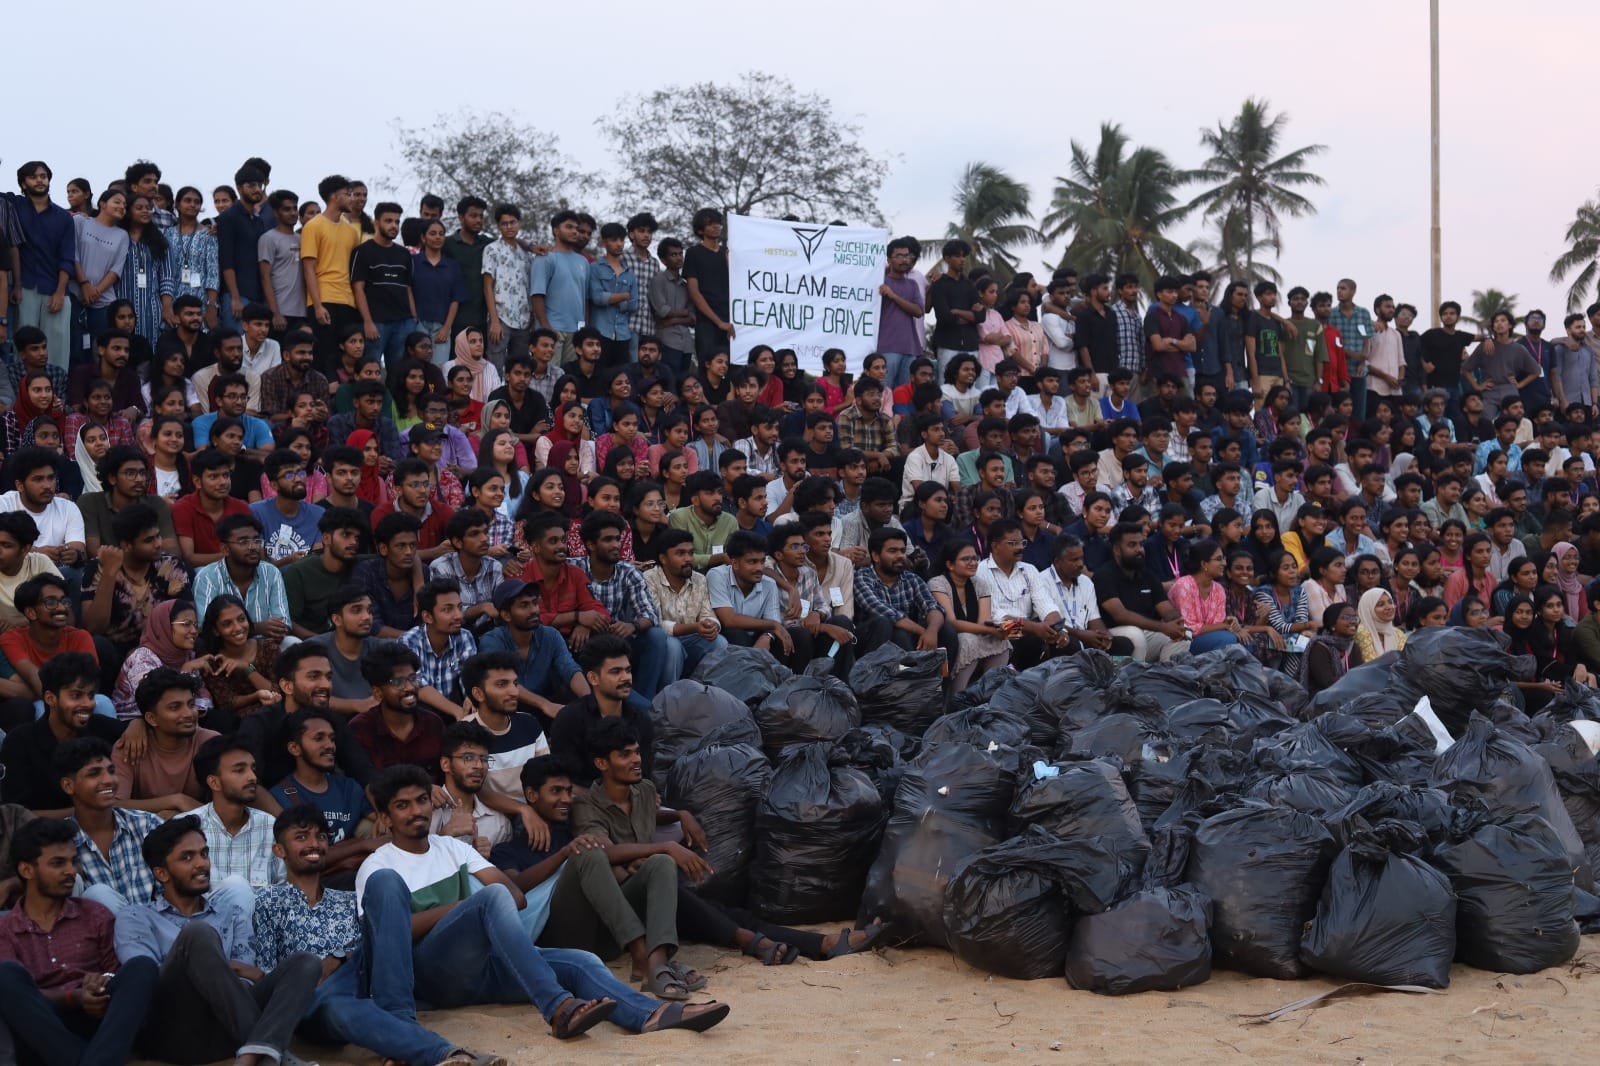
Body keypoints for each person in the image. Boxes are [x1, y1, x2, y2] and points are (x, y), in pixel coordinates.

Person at [355, 765, 728, 1040]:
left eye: (421, 800)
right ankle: (557, 1007)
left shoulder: (451, 847)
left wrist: (478, 906)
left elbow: (514, 897)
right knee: (489, 898)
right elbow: (392, 935)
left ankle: (652, 1014)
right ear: (386, 818)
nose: (417, 811)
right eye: (402, 806)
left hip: (482, 969)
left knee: (581, 961)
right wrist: (465, 909)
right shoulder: (378, 866)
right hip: (431, 972)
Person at [575, 718, 880, 963]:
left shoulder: (642, 790)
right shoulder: (587, 806)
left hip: (654, 896)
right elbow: (603, 852)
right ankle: (753, 942)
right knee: (685, 895)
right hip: (616, 915)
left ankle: (818, 944)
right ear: (602, 763)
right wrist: (663, 848)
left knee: (723, 912)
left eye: (637, 752)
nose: (635, 760)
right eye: (624, 755)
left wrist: (681, 814)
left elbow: (650, 814)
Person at [112, 815, 320, 1066]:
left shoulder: (231, 914)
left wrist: (220, 969)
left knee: (306, 963)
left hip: (225, 1028)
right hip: (172, 1031)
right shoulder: (136, 917)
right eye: (187, 858)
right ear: (162, 873)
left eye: (204, 853)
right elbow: (144, 981)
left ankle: (254, 1054)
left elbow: (244, 981)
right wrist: (202, 961)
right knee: (198, 934)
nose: (201, 864)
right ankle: (272, 1056)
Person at [0, 817, 158, 1066]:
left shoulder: (95, 914)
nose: (71, 871)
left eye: (73, 861)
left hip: (100, 1022)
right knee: (5, 976)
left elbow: (117, 973)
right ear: (26, 870)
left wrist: (101, 983)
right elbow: (17, 995)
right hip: (41, 1029)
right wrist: (72, 996)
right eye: (57, 863)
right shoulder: (5, 928)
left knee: (142, 967)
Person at [546, 636, 657, 788]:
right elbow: (565, 781)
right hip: (584, 805)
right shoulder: (569, 720)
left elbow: (644, 776)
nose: (626, 678)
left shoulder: (641, 720)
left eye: (628, 670)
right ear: (593, 678)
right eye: (615, 672)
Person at [477, 579, 592, 721]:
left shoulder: (550, 635)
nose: (534, 610)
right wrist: (545, 705)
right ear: (506, 615)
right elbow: (505, 682)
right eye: (524, 605)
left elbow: (570, 669)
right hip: (509, 711)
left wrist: (589, 701)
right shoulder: (492, 641)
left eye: (535, 603)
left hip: (546, 706)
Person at [110, 666, 216, 817]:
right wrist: (176, 800)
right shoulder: (130, 746)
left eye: (191, 704)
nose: (188, 714)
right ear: (152, 718)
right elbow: (114, 806)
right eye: (175, 707)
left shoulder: (210, 742)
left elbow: (229, 802)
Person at [853, 526, 958, 665]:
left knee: (945, 630)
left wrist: (931, 631)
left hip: (908, 637)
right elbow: (886, 612)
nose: (900, 556)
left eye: (902, 551)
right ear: (876, 556)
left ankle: (940, 684)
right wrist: (923, 632)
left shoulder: (911, 578)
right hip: (873, 641)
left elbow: (933, 607)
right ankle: (911, 681)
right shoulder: (862, 577)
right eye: (893, 551)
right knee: (893, 628)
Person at [705, 530, 808, 669]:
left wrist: (767, 636)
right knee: (736, 634)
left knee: (796, 635)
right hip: (728, 637)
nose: (759, 568)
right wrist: (772, 626)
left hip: (758, 635)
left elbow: (773, 621)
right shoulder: (717, 575)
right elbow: (729, 620)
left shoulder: (769, 584)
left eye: (762, 561)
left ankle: (790, 684)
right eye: (752, 562)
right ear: (734, 563)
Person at [192, 735, 282, 890]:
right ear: (214, 782)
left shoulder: (271, 826)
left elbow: (285, 888)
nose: (252, 777)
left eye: (253, 769)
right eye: (240, 770)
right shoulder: (189, 828)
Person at [1094, 522, 1193, 662]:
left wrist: (1176, 622)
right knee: (1135, 635)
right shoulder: (1104, 575)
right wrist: (1163, 627)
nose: (1139, 549)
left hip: (1147, 632)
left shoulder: (1147, 575)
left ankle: (1166, 677)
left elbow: (1166, 608)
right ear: (1117, 549)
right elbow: (1120, 615)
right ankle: (1134, 679)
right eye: (1132, 545)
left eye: (1141, 544)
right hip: (1114, 635)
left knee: (1185, 633)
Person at [927, 537, 1011, 690]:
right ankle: (957, 694)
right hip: (946, 638)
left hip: (974, 633)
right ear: (950, 565)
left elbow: (983, 622)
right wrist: (990, 630)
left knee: (1003, 641)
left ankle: (989, 693)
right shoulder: (937, 583)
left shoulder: (979, 583)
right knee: (967, 640)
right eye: (966, 559)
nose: (973, 563)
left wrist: (997, 630)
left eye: (975, 558)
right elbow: (951, 622)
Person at [283, 507, 365, 639]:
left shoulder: (363, 566)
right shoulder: (299, 572)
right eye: (346, 535)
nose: (353, 542)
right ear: (326, 538)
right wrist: (325, 642)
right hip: (310, 645)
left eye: (357, 537)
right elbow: (289, 622)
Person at [1303, 603, 1363, 691]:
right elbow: (1326, 682)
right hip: (1322, 698)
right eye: (1346, 618)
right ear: (1332, 624)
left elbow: (1360, 675)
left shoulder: (1353, 646)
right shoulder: (1319, 647)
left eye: (1355, 618)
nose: (1353, 621)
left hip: (1350, 695)